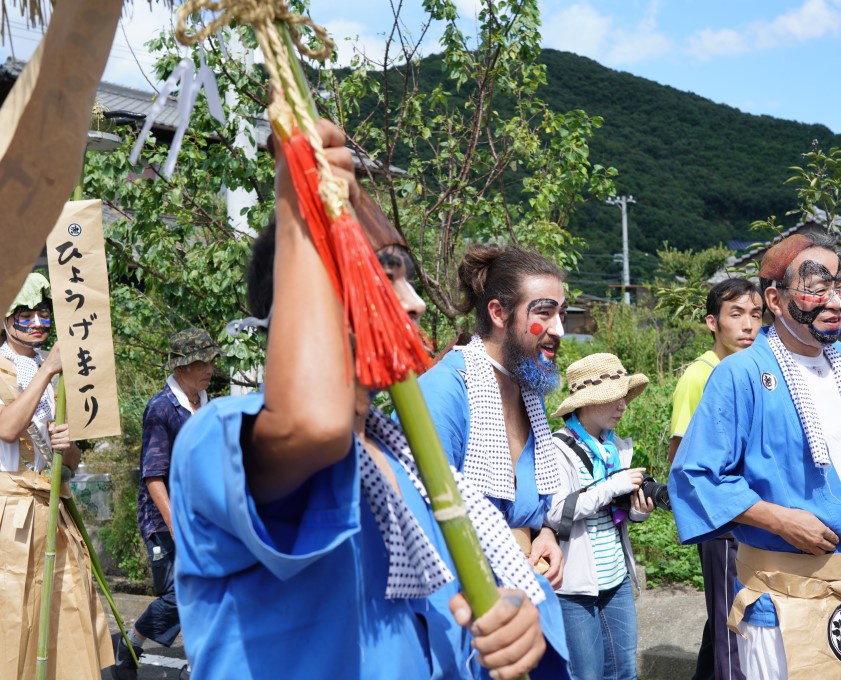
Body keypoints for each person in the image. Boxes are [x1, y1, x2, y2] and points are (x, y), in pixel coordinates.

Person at [168, 119, 553, 680]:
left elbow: (459, 619)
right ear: (304, 303)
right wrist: (297, 205)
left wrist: (515, 620)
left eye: (410, 280)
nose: (416, 303)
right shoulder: (219, 434)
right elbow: (316, 424)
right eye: (385, 280)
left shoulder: (409, 458)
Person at [669, 231, 841, 680]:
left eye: (840, 287)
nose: (834, 301)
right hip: (780, 595)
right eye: (818, 288)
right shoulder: (739, 374)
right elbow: (695, 475)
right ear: (776, 299)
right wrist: (781, 519)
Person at [416, 244, 567, 582]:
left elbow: (528, 516)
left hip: (524, 602)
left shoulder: (528, 391)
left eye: (562, 313)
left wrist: (544, 535)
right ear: (499, 314)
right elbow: (417, 522)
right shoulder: (444, 392)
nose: (559, 330)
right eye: (544, 313)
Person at [0, 273, 113, 679]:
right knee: (14, 613)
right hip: (10, 513)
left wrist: (69, 447)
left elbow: (73, 460)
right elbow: (8, 428)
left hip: (52, 509)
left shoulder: (58, 374)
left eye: (42, 313)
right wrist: (48, 368)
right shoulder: (14, 367)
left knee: (65, 607)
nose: (35, 321)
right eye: (24, 313)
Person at [111, 328, 220, 680]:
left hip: (202, 515)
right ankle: (132, 643)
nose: (208, 368)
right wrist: (174, 525)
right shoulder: (161, 408)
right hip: (164, 517)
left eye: (210, 360)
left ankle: (200, 658)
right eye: (199, 361)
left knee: (208, 585)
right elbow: (153, 475)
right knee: (180, 593)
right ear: (181, 367)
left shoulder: (206, 403)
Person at [668, 278, 761, 680]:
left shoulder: (755, 369)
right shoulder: (700, 375)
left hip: (758, 517)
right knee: (731, 628)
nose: (748, 326)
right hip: (725, 524)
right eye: (735, 314)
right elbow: (680, 457)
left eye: (756, 315)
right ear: (712, 322)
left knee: (733, 618)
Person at [546, 353, 653, 680]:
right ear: (587, 403)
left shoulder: (615, 447)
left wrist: (636, 511)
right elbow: (554, 513)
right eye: (614, 399)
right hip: (574, 587)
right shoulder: (557, 448)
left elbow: (612, 514)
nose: (623, 406)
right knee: (587, 674)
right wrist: (612, 486)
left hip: (616, 577)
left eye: (624, 398)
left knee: (625, 672)